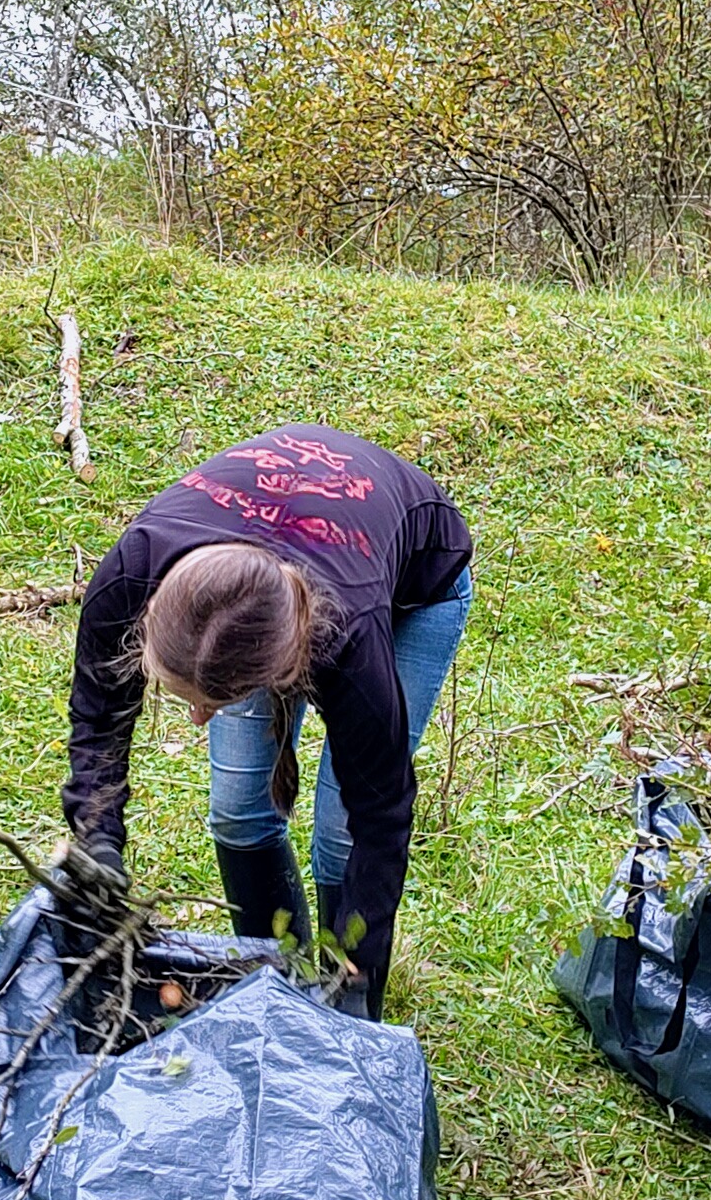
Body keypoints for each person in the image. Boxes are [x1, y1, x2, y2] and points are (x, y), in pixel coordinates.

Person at [63, 426, 477, 1017]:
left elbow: (381, 820)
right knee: (238, 808)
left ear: (273, 668)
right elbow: (98, 722)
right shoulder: (134, 571)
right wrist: (98, 841)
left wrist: (355, 982)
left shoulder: (351, 642)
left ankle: (328, 999)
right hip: (260, 579)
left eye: (211, 704)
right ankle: (271, 991)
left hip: (417, 589)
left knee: (341, 836)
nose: (198, 719)